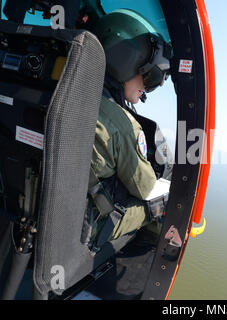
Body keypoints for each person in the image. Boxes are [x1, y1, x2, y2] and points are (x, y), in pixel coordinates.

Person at [84, 9, 172, 245]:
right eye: (151, 77)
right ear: (124, 61)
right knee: (158, 202)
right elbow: (145, 188)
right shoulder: (123, 124)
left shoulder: (73, 92)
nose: (148, 88)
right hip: (82, 227)